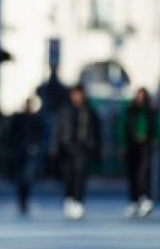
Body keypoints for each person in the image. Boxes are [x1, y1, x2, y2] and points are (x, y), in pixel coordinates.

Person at [50, 84, 101, 220]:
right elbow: (57, 130)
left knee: (81, 174)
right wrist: (54, 148)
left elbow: (96, 131)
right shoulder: (65, 110)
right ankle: (69, 199)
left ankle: (78, 201)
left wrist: (96, 147)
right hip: (67, 148)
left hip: (83, 147)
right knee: (68, 176)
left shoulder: (89, 111)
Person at [123, 87, 159, 218]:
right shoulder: (130, 111)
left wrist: (155, 140)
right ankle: (134, 200)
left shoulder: (150, 111)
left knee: (144, 173)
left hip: (146, 145)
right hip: (132, 146)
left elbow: (156, 127)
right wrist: (122, 144)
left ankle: (145, 198)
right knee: (132, 174)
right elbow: (122, 127)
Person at [7, 97, 45, 215]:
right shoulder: (19, 118)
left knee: (27, 178)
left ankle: (25, 200)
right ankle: (22, 201)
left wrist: (35, 145)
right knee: (21, 179)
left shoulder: (36, 119)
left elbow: (40, 134)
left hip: (30, 152)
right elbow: (11, 134)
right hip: (19, 153)